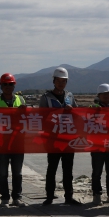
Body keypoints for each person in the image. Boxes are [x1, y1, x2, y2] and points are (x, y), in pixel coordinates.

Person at [39, 67, 81, 206]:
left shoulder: (70, 96)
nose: (61, 83)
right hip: (53, 139)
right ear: (54, 81)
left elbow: (78, 115)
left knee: (68, 170)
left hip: (68, 139)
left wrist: (72, 110)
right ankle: (49, 196)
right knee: (52, 168)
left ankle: (69, 196)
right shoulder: (46, 98)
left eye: (64, 81)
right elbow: (41, 117)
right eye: (59, 81)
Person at [0, 73, 27, 207]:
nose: (8, 86)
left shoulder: (21, 100)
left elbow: (28, 119)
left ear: (14, 86)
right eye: (5, 84)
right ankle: (5, 198)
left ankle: (17, 197)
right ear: (1, 86)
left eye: (10, 84)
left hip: (18, 142)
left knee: (17, 173)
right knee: (3, 173)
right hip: (1, 142)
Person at [89, 84, 109, 205]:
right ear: (99, 96)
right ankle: (96, 195)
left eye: (108, 94)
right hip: (98, 145)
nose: (106, 96)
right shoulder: (93, 108)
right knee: (97, 172)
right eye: (104, 94)